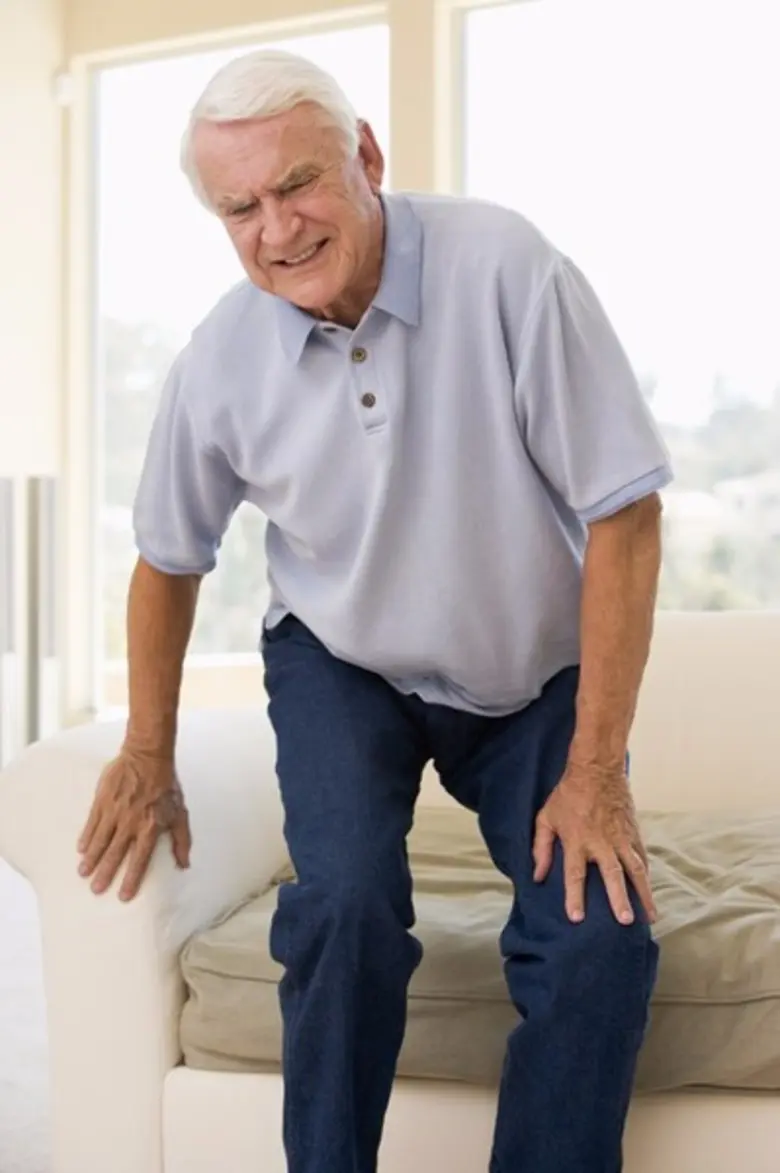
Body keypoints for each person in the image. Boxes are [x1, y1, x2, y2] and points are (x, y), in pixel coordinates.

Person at [77, 48, 672, 1173]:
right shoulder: (220, 359)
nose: (277, 229)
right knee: (344, 905)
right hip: (344, 664)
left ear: (366, 155)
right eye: (240, 208)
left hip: (533, 672)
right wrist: (147, 749)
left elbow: (626, 514)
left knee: (599, 937)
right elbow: (167, 560)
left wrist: (597, 767)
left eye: (298, 183)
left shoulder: (507, 268)